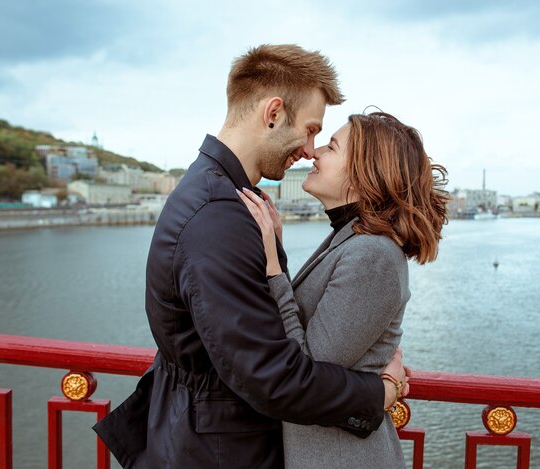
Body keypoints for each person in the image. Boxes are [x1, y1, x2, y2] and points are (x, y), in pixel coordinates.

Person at [93, 45, 409, 469]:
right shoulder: (217, 217)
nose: (310, 149)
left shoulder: (228, 198)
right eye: (312, 129)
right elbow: (274, 377)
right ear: (273, 113)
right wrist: (380, 392)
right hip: (221, 451)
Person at [239, 112, 449, 468]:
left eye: (332, 146)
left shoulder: (373, 253)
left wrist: (273, 265)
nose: (315, 152)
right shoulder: (350, 238)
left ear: (365, 172)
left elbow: (306, 372)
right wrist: (277, 252)